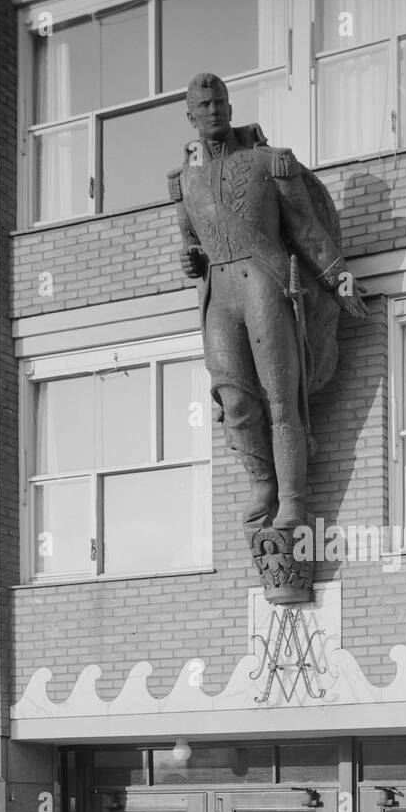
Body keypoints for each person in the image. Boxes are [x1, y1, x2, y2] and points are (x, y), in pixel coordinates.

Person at [168, 71, 366, 543]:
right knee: (235, 400)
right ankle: (263, 484)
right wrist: (190, 260)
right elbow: (191, 241)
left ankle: (293, 499)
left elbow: (306, 229)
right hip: (219, 293)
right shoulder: (183, 181)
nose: (214, 110)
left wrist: (338, 276)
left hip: (265, 279)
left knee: (281, 396)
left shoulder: (269, 163)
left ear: (231, 108)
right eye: (204, 104)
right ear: (190, 115)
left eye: (220, 102)